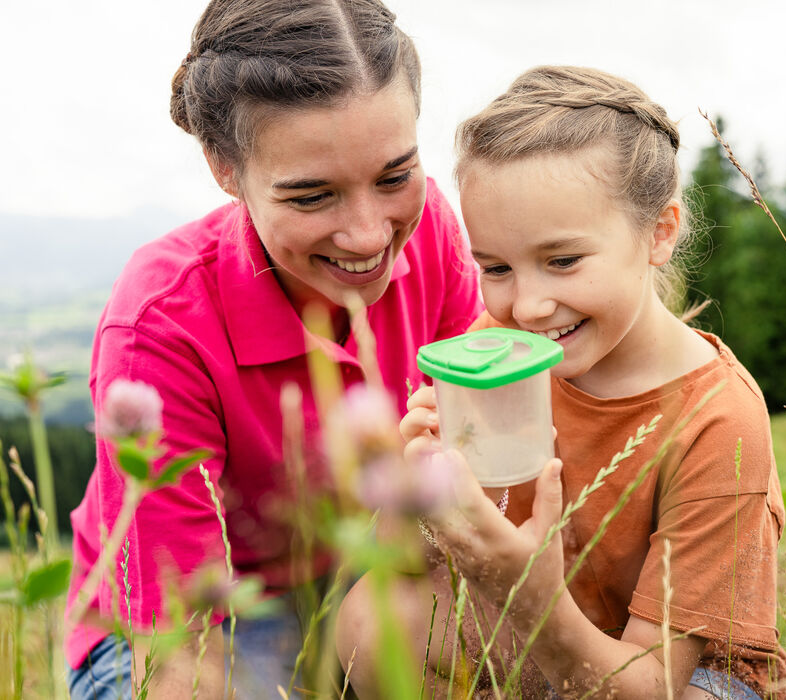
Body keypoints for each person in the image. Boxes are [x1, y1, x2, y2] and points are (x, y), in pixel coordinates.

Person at [62, 1, 482, 698]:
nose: (369, 235)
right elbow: (180, 655)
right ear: (225, 168)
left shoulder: (432, 226)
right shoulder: (160, 326)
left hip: (369, 567)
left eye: (393, 176)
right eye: (313, 196)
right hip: (206, 618)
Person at [336, 66, 786, 699]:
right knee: (370, 618)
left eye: (563, 261)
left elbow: (654, 681)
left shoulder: (718, 420)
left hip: (668, 675)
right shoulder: (496, 352)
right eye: (495, 267)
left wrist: (533, 600)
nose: (527, 307)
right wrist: (413, 494)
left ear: (659, 233)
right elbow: (407, 568)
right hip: (551, 635)